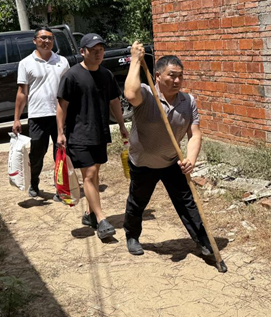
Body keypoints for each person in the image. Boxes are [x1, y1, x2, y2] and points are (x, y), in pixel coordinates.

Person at [122, 41, 211, 256]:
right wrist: (135, 60)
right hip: (143, 163)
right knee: (138, 201)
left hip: (172, 161)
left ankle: (204, 242)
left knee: (187, 203)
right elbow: (130, 94)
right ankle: (132, 236)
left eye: (180, 76)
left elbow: (195, 134)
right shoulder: (146, 94)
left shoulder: (187, 101)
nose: (177, 81)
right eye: (171, 75)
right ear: (158, 76)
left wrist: (190, 159)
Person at [56, 33, 129, 241]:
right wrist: (60, 132)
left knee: (95, 174)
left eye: (101, 50)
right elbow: (61, 106)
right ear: (82, 52)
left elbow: (114, 101)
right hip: (78, 134)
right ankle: (101, 218)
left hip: (100, 132)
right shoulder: (72, 75)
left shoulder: (106, 74)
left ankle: (89, 214)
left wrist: (122, 125)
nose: (98, 54)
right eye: (93, 50)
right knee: (88, 174)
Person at [13, 27, 69, 198]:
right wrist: (16, 119)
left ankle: (60, 188)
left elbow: (69, 89)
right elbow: (22, 93)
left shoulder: (62, 61)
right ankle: (34, 182)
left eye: (50, 38)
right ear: (35, 40)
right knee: (37, 153)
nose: (46, 41)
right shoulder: (25, 63)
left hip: (59, 115)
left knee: (60, 153)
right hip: (38, 115)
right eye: (43, 38)